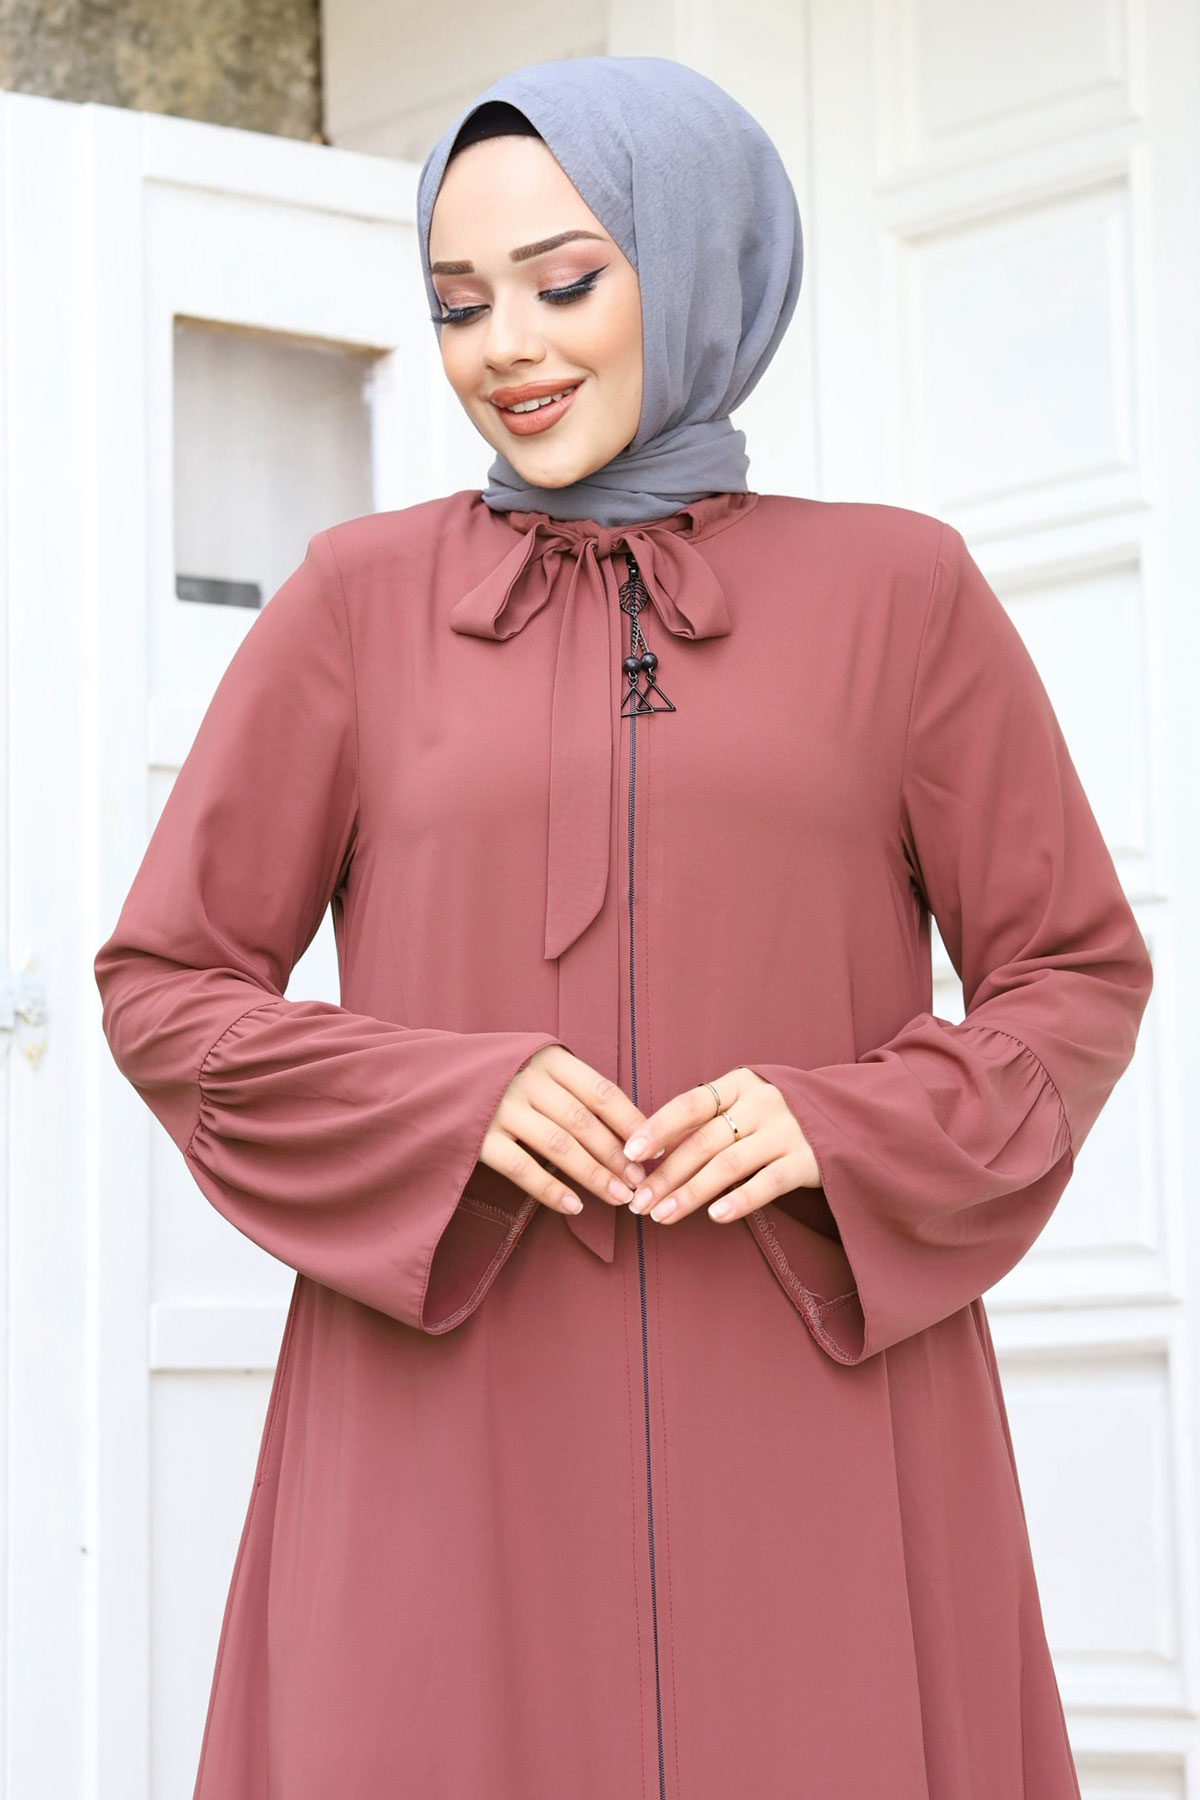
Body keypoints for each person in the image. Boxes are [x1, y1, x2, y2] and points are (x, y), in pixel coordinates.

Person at [94, 53, 1153, 1800]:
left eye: (566, 282)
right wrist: (445, 1101)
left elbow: (1073, 975)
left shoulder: (901, 593)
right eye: (458, 303)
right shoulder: (357, 604)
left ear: (699, 261)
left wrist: (847, 1125)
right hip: (446, 1407)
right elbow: (168, 986)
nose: (503, 346)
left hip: (813, 1387)